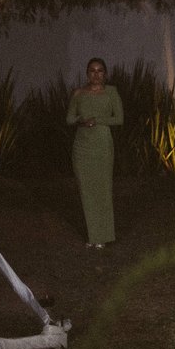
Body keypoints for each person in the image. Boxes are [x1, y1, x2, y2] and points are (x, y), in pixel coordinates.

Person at [69, 58, 123, 249]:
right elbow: (69, 118)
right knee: (87, 192)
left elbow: (119, 118)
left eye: (100, 71)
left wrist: (97, 120)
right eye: (92, 71)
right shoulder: (79, 93)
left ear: (105, 74)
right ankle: (93, 235)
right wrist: (82, 120)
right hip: (82, 147)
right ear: (87, 74)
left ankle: (104, 235)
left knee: (103, 190)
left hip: (102, 145)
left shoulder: (111, 92)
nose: (96, 74)